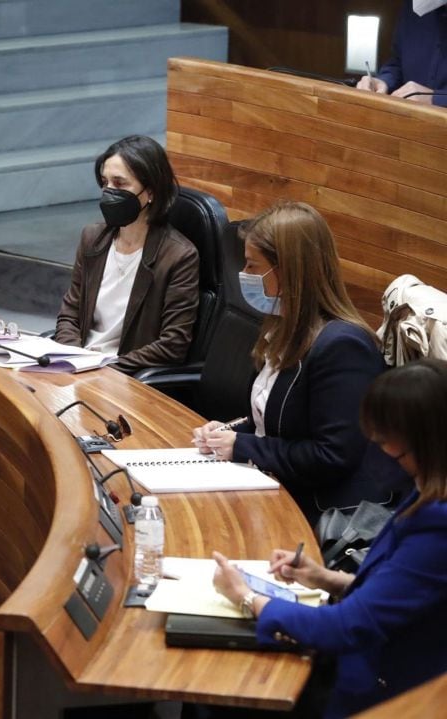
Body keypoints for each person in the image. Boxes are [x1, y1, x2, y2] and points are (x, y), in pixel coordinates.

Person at [211, 358, 447, 718]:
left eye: (388, 439)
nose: (380, 446)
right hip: (363, 662)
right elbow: (396, 594)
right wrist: (323, 578)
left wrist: (246, 598)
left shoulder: (438, 525)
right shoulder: (428, 489)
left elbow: (346, 627)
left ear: (423, 439)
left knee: (231, 684)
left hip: (381, 695)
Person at [192, 201, 410, 524]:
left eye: (252, 266)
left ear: (287, 271)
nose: (243, 275)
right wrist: (229, 432)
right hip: (278, 487)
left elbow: (332, 456)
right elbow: (281, 422)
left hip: (323, 513)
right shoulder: (280, 328)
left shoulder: (344, 347)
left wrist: (242, 446)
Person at [54, 135, 199, 374]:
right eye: (105, 182)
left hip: (124, 375)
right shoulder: (93, 239)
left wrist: (105, 369)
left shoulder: (178, 256)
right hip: (78, 367)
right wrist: (74, 359)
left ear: (150, 192)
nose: (109, 192)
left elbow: (173, 344)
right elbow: (70, 315)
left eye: (120, 184)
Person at [356, 1, 447, 107]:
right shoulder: (414, 5)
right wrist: (383, 82)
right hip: (405, 117)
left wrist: (435, 99)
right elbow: (398, 63)